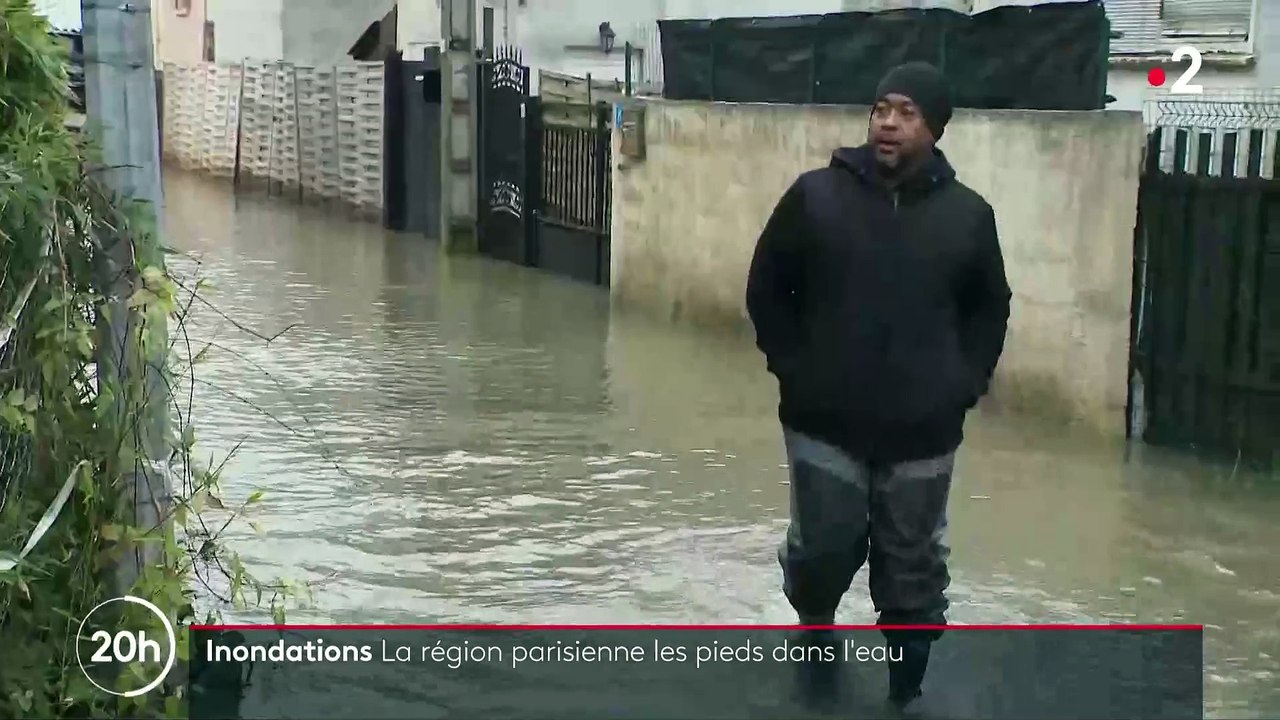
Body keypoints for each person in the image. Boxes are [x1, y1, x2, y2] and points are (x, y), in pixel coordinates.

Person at [745, 61, 1012, 709]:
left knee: (912, 570)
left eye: (907, 112)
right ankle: (815, 626)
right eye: (880, 108)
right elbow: (766, 290)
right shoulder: (815, 197)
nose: (888, 122)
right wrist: (796, 371)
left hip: (924, 431)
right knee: (824, 550)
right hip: (822, 422)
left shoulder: (970, 217)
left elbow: (989, 310)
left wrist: (962, 385)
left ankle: (905, 691)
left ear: (936, 128)